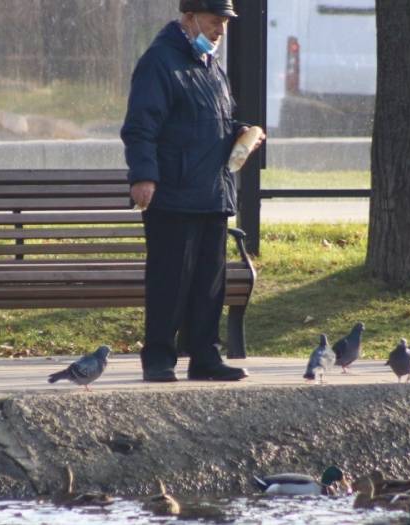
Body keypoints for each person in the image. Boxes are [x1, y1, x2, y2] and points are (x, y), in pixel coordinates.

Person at [121, 0, 264, 382]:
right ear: (189, 19)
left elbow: (216, 118)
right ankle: (159, 358)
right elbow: (140, 127)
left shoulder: (211, 66)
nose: (221, 30)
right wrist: (143, 177)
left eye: (225, 23)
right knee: (170, 279)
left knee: (208, 282)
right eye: (215, 21)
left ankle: (205, 356)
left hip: (212, 193)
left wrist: (241, 132)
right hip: (174, 194)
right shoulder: (160, 62)